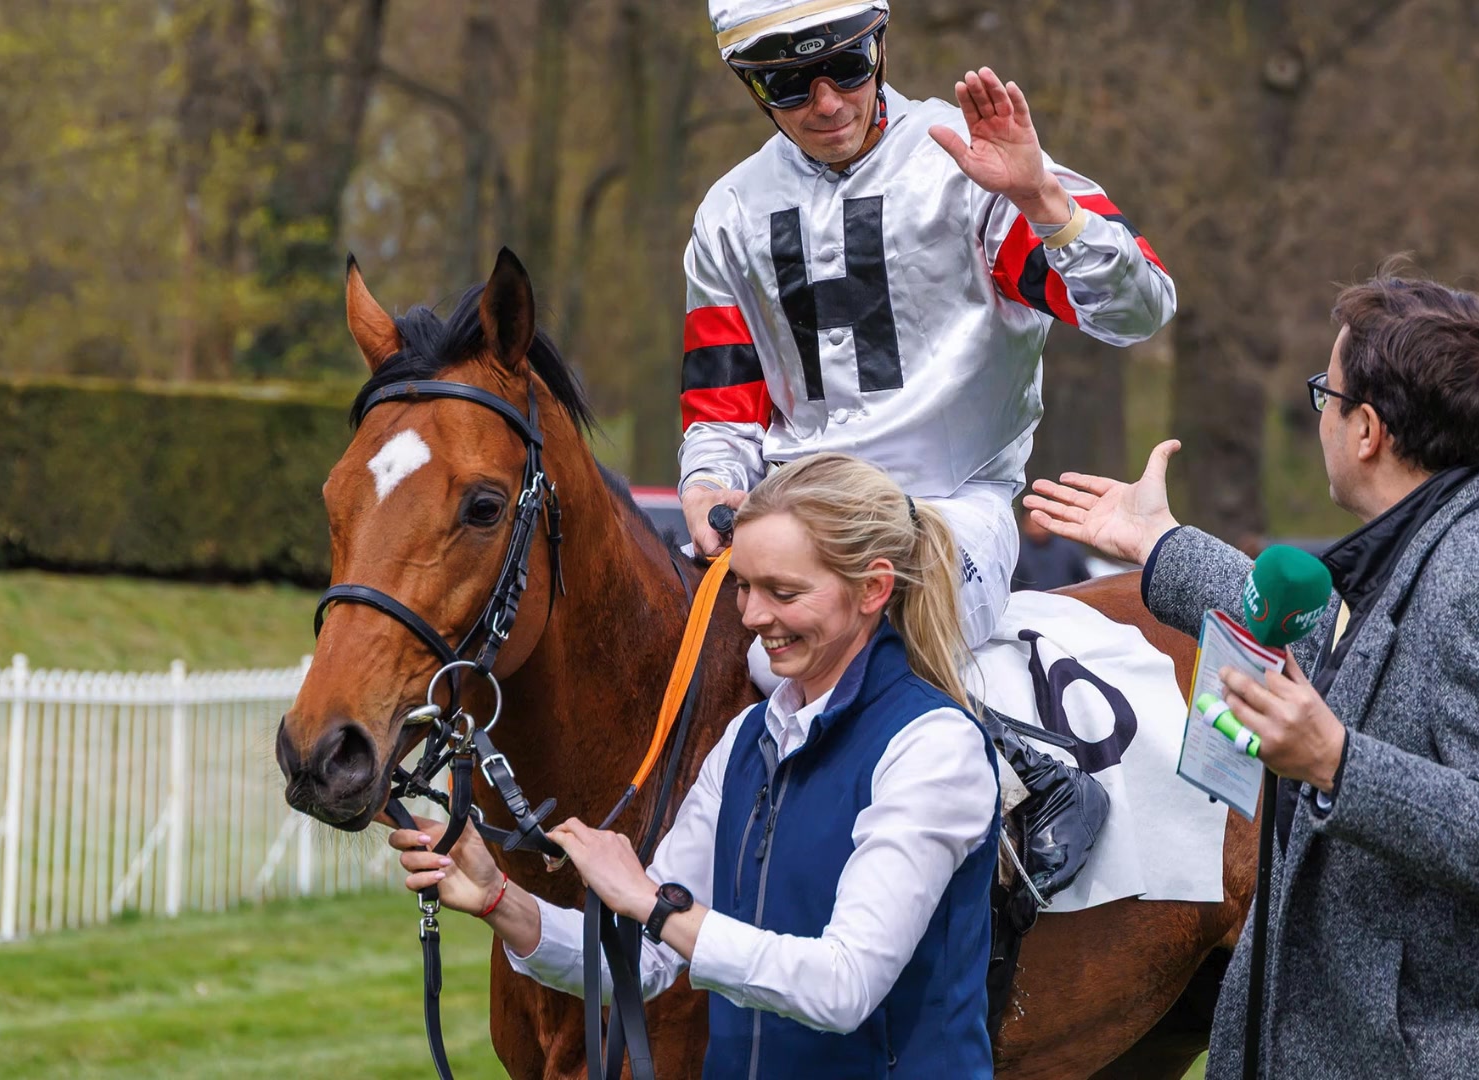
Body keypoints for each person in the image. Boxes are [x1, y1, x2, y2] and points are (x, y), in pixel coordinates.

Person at [1025, 269, 1479, 1077]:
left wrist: (1338, 765)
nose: (1322, 419)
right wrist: (1159, 545)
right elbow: (1332, 650)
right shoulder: (1438, 538)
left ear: (1368, 431)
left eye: (1327, 395)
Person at [390, 453, 1000, 1077]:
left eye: (783, 592)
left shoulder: (932, 748)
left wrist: (651, 901)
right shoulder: (745, 738)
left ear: (873, 588)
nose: (752, 617)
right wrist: (500, 902)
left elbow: (842, 987)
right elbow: (647, 963)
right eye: (743, 585)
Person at [676, 0, 1175, 655]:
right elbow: (722, 412)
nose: (827, 104)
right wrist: (707, 485)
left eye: (846, 67)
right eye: (789, 84)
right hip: (791, 520)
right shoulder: (728, 213)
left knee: (863, 634)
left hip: (952, 512)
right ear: (750, 86)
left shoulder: (967, 164)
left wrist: (1042, 200)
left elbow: (1137, 310)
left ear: (880, 47)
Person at [1010, 504, 1090, 592]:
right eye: (1032, 523)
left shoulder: (1068, 549)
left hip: (1066, 601)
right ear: (1024, 524)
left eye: (1039, 523)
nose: (1036, 528)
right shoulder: (1017, 552)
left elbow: (1086, 581)